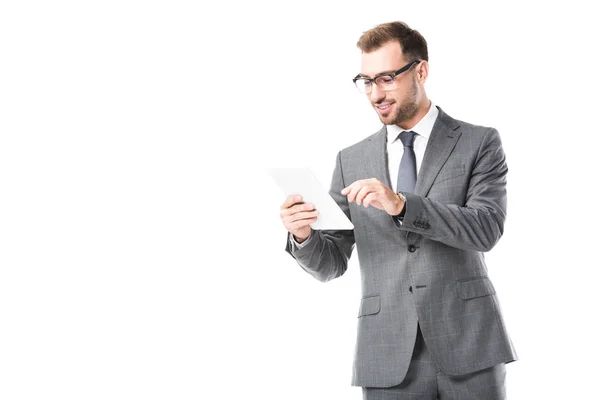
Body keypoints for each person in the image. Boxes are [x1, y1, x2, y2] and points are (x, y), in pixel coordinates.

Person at [279, 21, 517, 399]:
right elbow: (331, 263)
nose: (376, 94)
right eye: (367, 81)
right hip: (386, 351)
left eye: (387, 78)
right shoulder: (350, 159)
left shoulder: (478, 142)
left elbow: (486, 229)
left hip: (471, 343)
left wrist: (403, 205)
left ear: (420, 71)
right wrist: (303, 235)